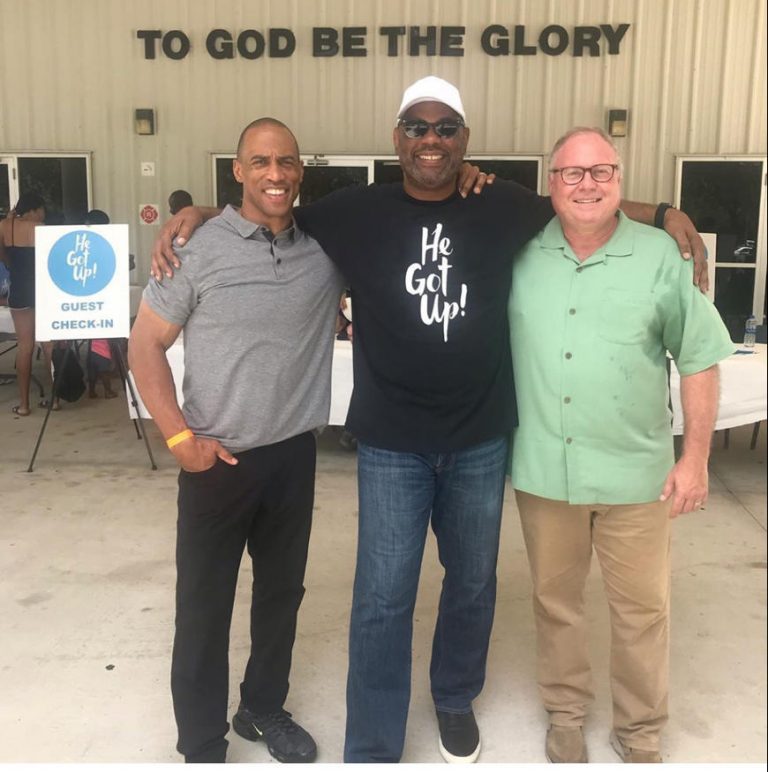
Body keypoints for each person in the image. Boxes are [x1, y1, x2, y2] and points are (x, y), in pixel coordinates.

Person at [151, 77, 707, 764]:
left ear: (464, 139)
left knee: (472, 583)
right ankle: (376, 739)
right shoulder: (355, 211)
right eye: (417, 127)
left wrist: (667, 212)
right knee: (383, 596)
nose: (432, 139)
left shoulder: (500, 204)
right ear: (397, 139)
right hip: (391, 443)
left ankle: (453, 698)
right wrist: (200, 213)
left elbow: (582, 200)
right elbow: (270, 207)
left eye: (446, 128)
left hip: (478, 437)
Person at [508, 127, 734, 764]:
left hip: (638, 475)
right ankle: (565, 713)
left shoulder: (660, 256)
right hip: (545, 469)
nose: (587, 184)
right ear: (551, 185)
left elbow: (699, 358)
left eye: (600, 171)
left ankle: (639, 730)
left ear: (620, 181)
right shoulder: (518, 250)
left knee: (642, 611)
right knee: (556, 605)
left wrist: (695, 458)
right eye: (572, 173)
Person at [128, 118, 344, 764]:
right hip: (214, 460)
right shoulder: (196, 248)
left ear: (300, 170)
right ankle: (201, 744)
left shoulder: (326, 248)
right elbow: (145, 346)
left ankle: (261, 707)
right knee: (203, 608)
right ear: (239, 171)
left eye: (286, 162)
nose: (275, 174)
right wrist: (178, 438)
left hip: (292, 458)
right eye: (260, 162)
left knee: (281, 597)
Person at [0, 192, 58, 415]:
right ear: (34, 210)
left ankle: (24, 405)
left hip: (19, 288)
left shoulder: (5, 226)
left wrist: (13, 266)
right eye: (41, 209)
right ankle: (54, 400)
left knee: (25, 347)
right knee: (48, 345)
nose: (43, 214)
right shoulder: (42, 228)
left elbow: (2, 255)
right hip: (43, 289)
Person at [83, 209, 117, 398]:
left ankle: (92, 389)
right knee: (102, 344)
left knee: (92, 345)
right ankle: (107, 389)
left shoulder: (82, 245)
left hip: (86, 303)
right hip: (102, 303)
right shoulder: (104, 245)